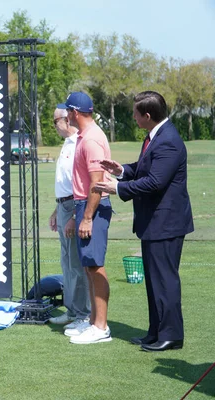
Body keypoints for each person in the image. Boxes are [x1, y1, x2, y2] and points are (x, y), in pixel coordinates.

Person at [93, 91, 193, 352]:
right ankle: (156, 332)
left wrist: (119, 188)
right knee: (154, 281)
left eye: (136, 114)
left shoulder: (168, 140)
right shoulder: (156, 136)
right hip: (154, 223)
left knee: (165, 281)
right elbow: (145, 168)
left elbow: (156, 181)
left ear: (147, 116)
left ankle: (171, 335)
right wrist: (122, 170)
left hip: (166, 223)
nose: (134, 118)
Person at [59, 92, 113, 344]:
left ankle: (101, 327)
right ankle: (93, 321)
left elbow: (97, 182)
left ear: (75, 113)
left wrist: (87, 217)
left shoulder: (91, 139)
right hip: (85, 205)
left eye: (68, 111)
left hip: (94, 206)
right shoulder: (84, 136)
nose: (66, 115)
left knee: (95, 265)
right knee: (89, 266)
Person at [48, 105, 91, 329]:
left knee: (76, 263)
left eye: (55, 121)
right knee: (67, 262)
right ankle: (72, 310)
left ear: (67, 120)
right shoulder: (67, 144)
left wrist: (75, 214)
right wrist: (57, 210)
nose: (54, 126)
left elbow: (82, 184)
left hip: (74, 207)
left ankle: (83, 313)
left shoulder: (80, 143)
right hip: (63, 206)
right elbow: (65, 182)